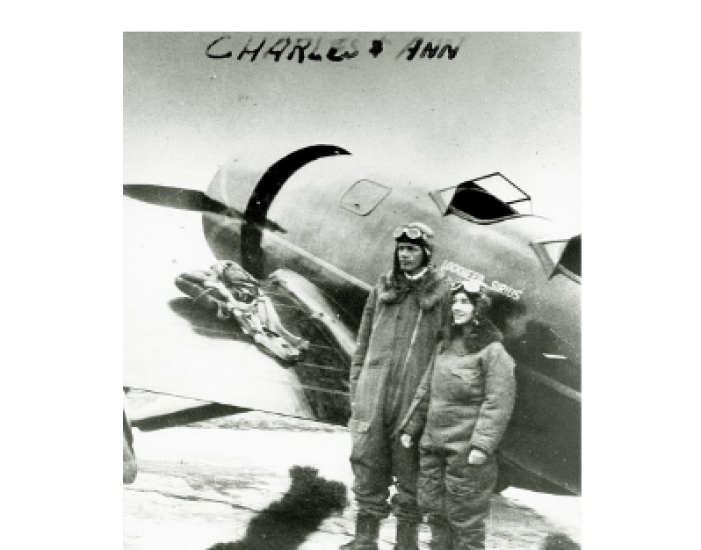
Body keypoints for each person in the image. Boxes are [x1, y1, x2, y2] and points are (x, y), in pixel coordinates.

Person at [341, 223, 452, 550]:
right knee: (366, 460)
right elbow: (362, 341)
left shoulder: (443, 294)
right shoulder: (382, 287)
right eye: (401, 249)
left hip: (413, 396)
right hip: (374, 392)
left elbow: (445, 350)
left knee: (410, 469)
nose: (405, 255)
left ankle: (406, 544)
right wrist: (358, 386)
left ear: (426, 254)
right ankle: (365, 540)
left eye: (412, 249)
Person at [401, 280, 517, 550]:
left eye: (465, 302)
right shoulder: (444, 344)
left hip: (466, 452)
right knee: (433, 508)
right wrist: (411, 428)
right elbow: (426, 389)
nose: (457, 307)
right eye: (455, 301)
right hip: (433, 445)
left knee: (465, 518)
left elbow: (498, 403)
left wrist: (481, 446)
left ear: (479, 309)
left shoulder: (494, 352)